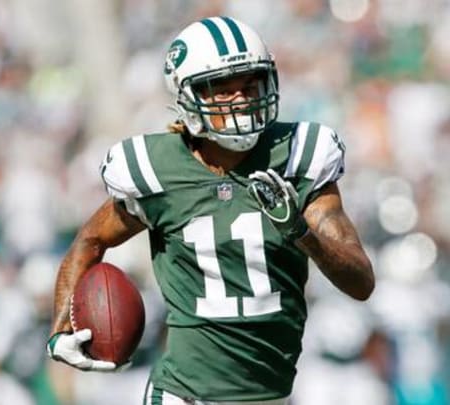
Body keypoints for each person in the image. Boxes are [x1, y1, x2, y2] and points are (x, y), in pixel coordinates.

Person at [47, 16, 374, 405]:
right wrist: (60, 329)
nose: (241, 99)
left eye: (249, 84)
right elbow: (91, 240)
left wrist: (302, 233)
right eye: (223, 90)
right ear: (188, 98)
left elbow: (361, 282)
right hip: (185, 395)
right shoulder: (157, 170)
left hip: (271, 396)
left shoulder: (299, 156)